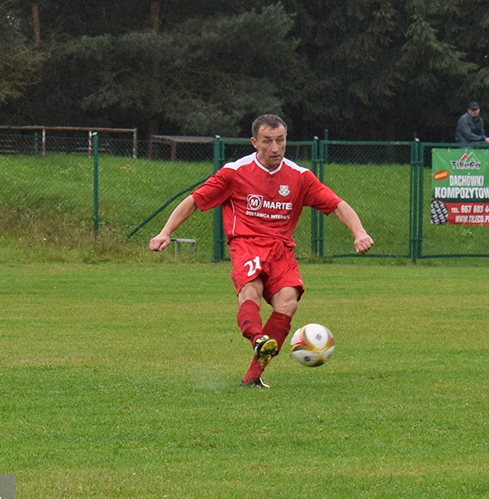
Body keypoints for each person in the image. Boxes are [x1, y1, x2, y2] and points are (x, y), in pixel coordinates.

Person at [149, 114, 373, 389]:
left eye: (280, 140)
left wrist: (359, 232)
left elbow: (337, 204)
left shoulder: (300, 177)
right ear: (254, 142)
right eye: (267, 141)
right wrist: (166, 232)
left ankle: (252, 376)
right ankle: (258, 339)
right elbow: (194, 201)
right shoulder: (235, 172)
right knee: (251, 292)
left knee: (288, 302)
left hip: (281, 249)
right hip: (246, 243)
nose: (275, 148)